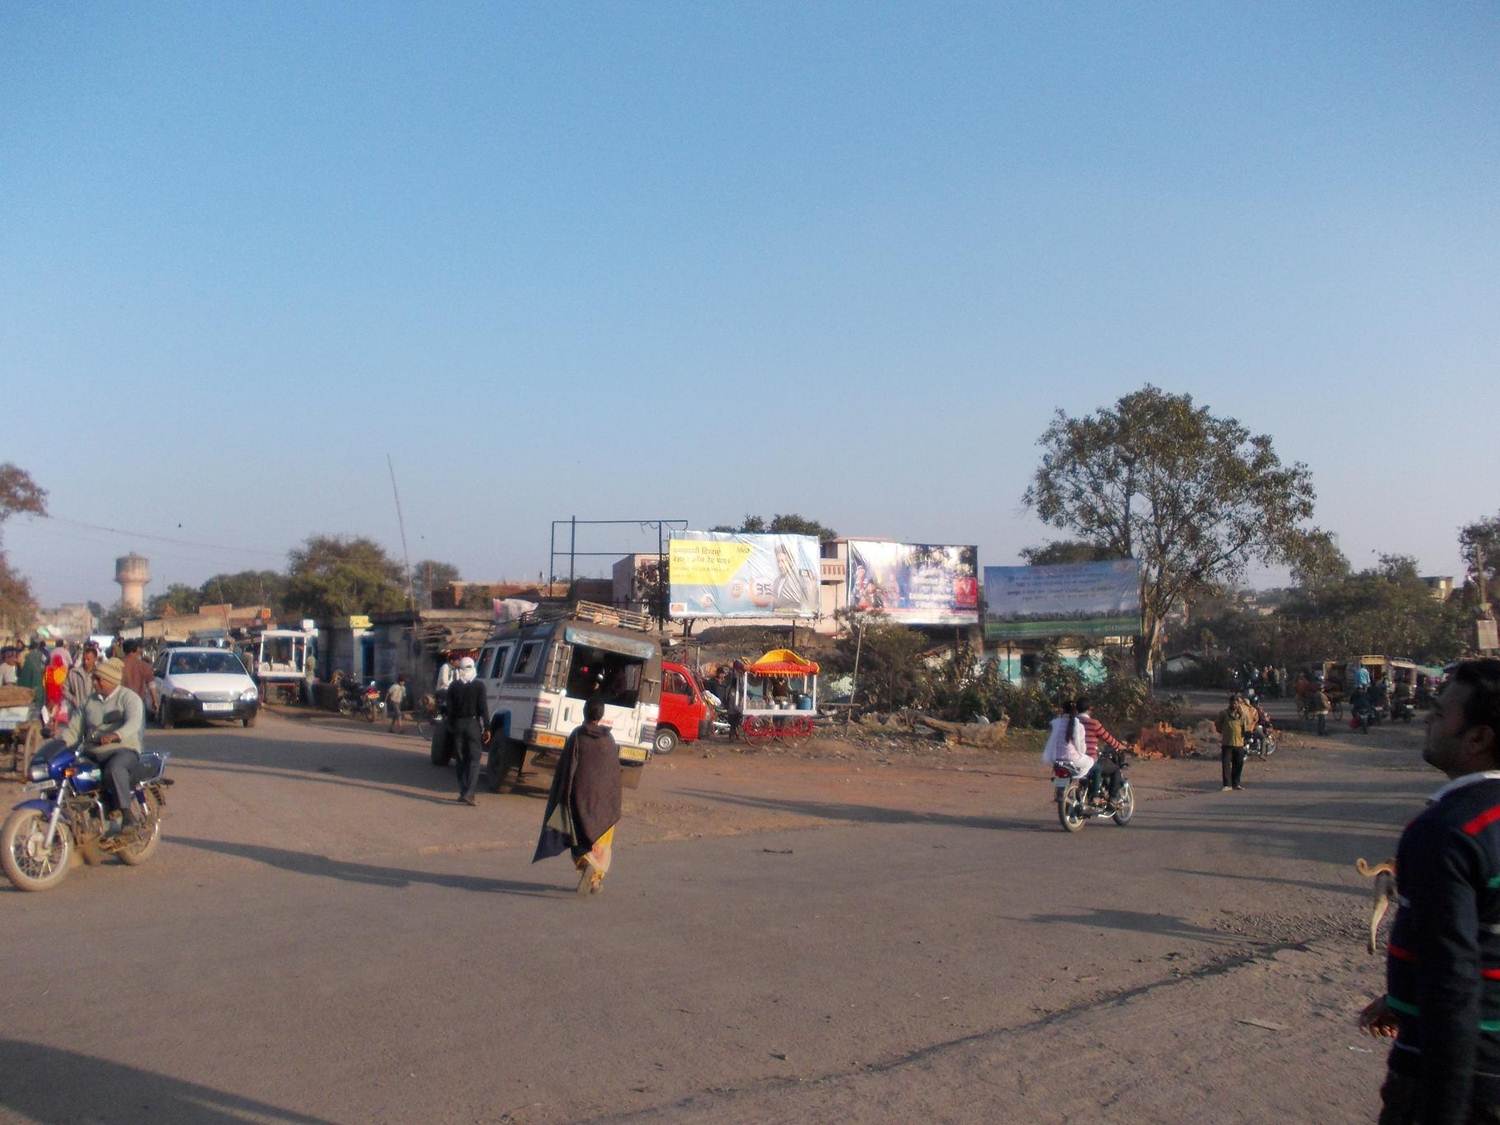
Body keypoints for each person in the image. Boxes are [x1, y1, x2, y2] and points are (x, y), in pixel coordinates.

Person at [1359, 659, 1500, 1124]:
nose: (1428, 719)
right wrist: (1400, 1001)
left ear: (1477, 739)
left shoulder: (1447, 830)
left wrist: (1444, 1108)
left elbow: (1453, 983)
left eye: (1440, 713)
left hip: (1461, 1072)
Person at [533, 695, 622, 895]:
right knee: (601, 842)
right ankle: (596, 877)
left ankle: (588, 869)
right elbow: (614, 774)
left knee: (577, 838)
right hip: (604, 803)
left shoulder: (577, 736)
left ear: (584, 712)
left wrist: (562, 795)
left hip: (580, 801)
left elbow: (567, 768)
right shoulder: (609, 740)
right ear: (601, 715)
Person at [59, 656, 146, 836]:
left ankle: (126, 813)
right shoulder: (89, 701)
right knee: (73, 774)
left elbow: (134, 723)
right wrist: (60, 744)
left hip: (124, 749)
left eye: (99, 679)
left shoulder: (129, 698)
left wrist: (116, 735)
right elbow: (74, 728)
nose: (95, 682)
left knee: (114, 769)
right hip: (93, 751)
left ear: (111, 681)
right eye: (94, 678)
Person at [444, 657, 489, 805]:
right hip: (472, 724)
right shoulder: (479, 686)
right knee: (474, 760)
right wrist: (487, 727)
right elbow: (483, 708)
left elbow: (449, 710)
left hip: (458, 725)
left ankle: (463, 791)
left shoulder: (453, 687)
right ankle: (469, 793)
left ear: (460, 669)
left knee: (461, 759)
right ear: (473, 668)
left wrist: (450, 725)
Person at [1076, 698, 1129, 808]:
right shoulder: (1094, 724)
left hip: (1073, 758)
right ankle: (1113, 799)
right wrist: (1121, 746)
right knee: (1115, 770)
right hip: (1089, 758)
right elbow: (1109, 739)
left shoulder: (1072, 722)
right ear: (1090, 709)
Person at [1217, 692, 1255, 791]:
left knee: (1238, 764)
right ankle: (1227, 785)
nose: (1235, 705)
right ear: (1230, 703)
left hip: (1239, 744)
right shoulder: (1224, 714)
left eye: (1237, 703)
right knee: (1226, 765)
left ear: (1239, 704)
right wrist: (1225, 732)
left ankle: (1236, 783)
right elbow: (1218, 726)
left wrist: (1246, 738)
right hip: (1227, 743)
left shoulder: (1242, 716)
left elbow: (1246, 728)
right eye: (1233, 703)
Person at [121, 639, 157, 715]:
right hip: (138, 701)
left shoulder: (117, 665)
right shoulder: (144, 666)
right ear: (136, 649)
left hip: (120, 702)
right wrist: (155, 700)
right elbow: (151, 684)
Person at [65, 645, 99, 714]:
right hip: (77, 710)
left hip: (94, 711)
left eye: (88, 659)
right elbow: (65, 689)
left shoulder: (99, 674)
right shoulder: (73, 673)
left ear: (95, 659)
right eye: (84, 659)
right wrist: (73, 699)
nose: (85, 662)